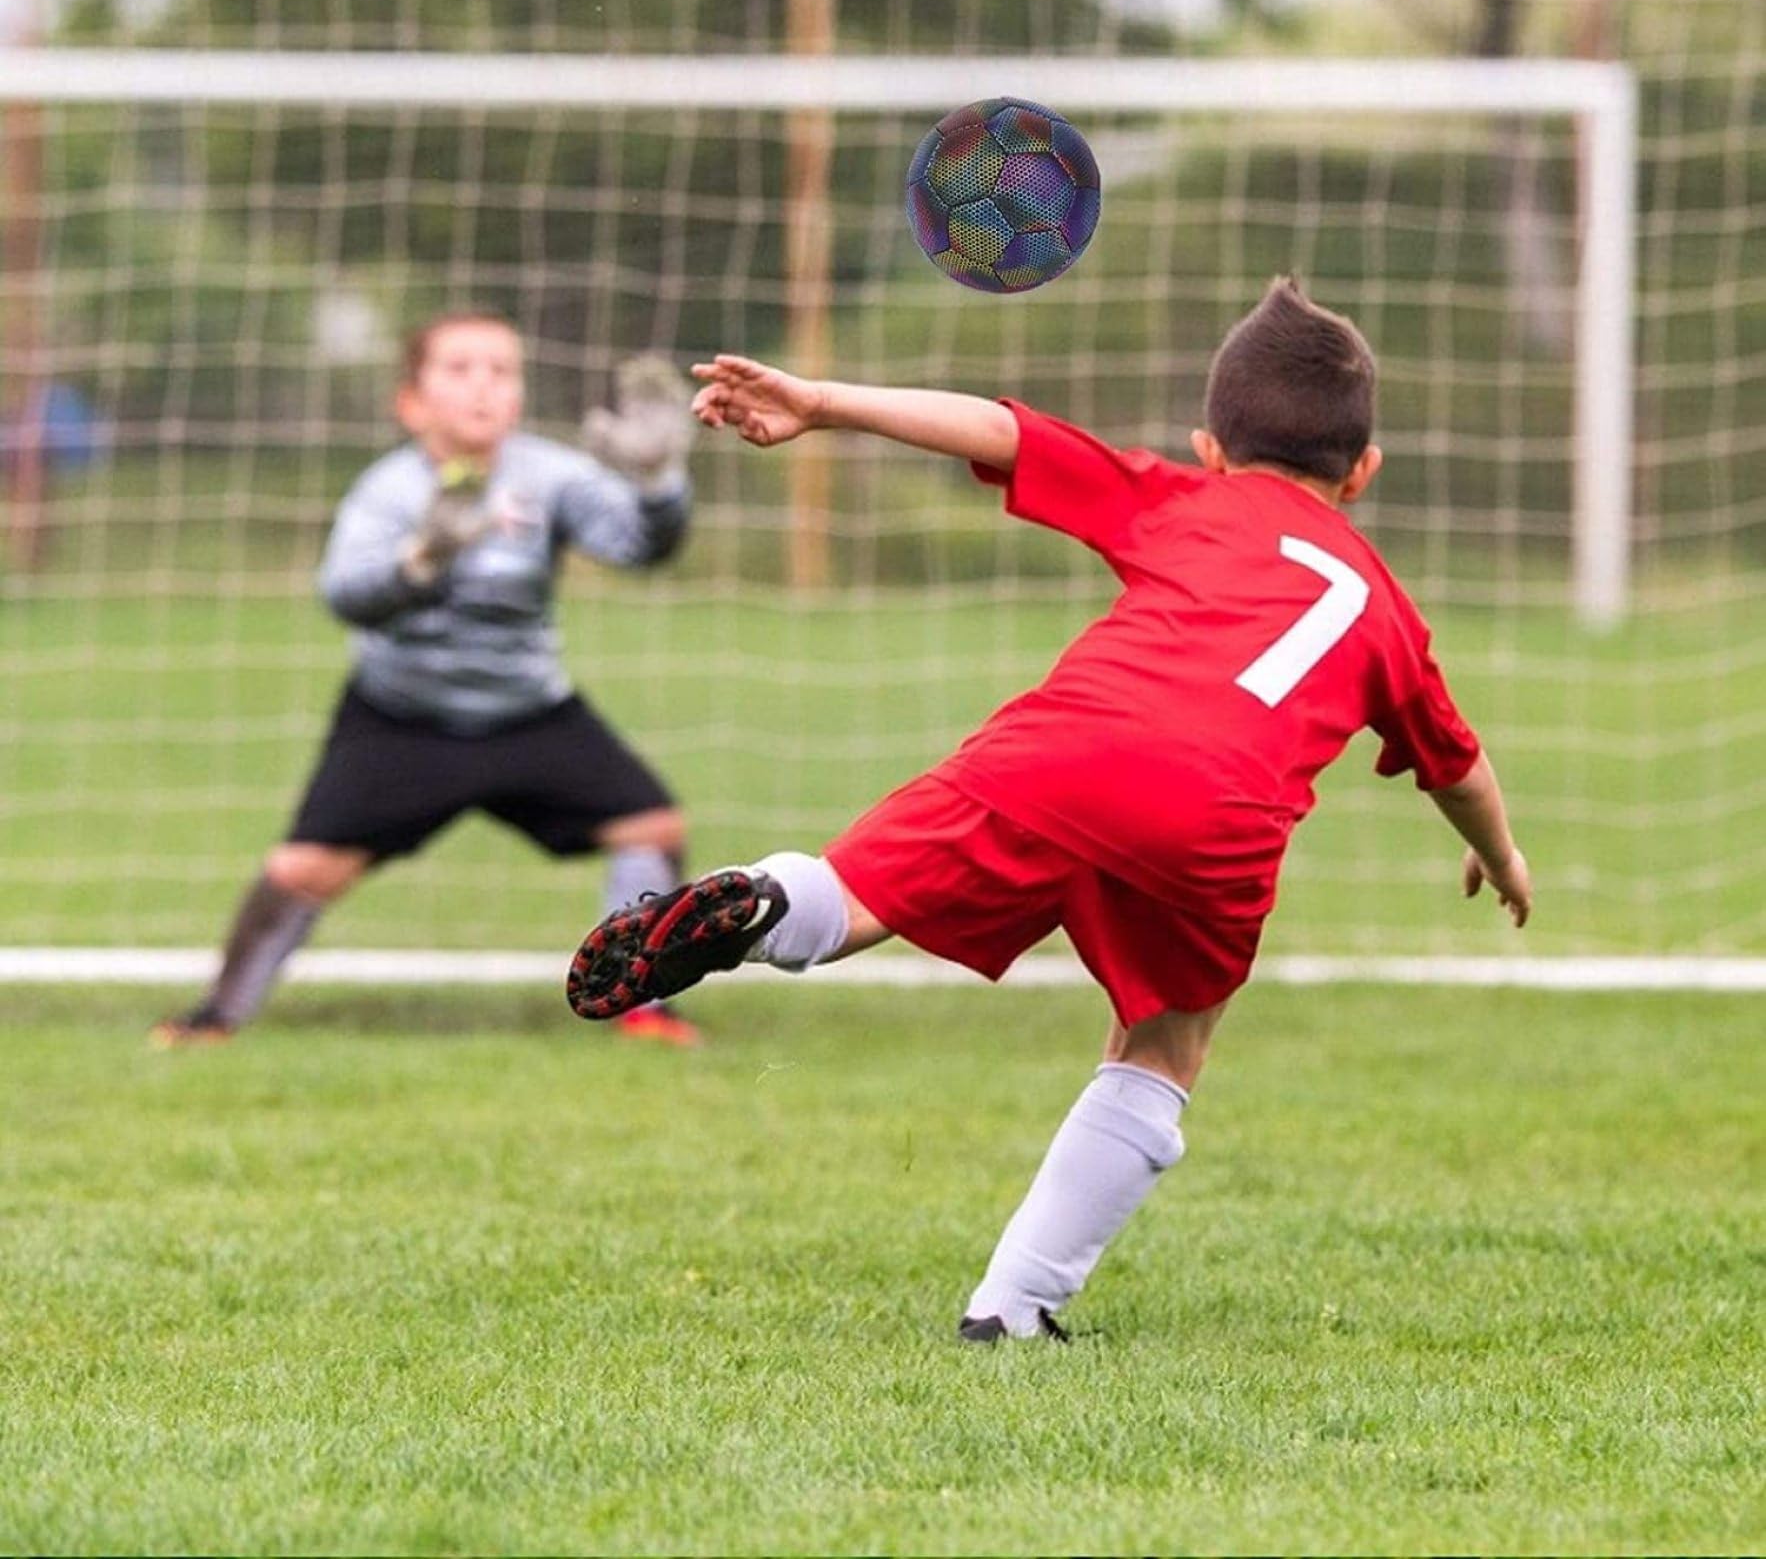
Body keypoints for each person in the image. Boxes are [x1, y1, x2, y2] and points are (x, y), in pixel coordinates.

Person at [565, 276, 1533, 1335]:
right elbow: (1458, 765)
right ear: (1361, 472)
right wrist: (1501, 852)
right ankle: (1011, 1308)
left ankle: (754, 905)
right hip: (1217, 818)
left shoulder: (1180, 495)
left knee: (849, 897)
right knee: (1164, 1042)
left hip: (1063, 749)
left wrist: (822, 401)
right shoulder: (1385, 609)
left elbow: (1001, 429)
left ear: (1208, 445)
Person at [153, 312, 703, 1049]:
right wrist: (420, 561)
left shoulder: (550, 475)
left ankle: (642, 1006)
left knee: (653, 828)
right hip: (401, 719)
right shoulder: (386, 491)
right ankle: (215, 1016)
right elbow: (342, 596)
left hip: (529, 713)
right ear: (411, 401)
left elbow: (642, 548)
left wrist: (659, 481)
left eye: (500, 370)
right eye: (460, 369)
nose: (483, 385)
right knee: (303, 868)